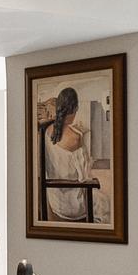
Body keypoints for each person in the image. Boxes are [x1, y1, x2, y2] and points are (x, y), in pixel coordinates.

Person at [40, 85, 91, 221]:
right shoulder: (76, 136)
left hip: (55, 201)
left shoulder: (47, 131)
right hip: (75, 206)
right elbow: (84, 176)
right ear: (76, 108)